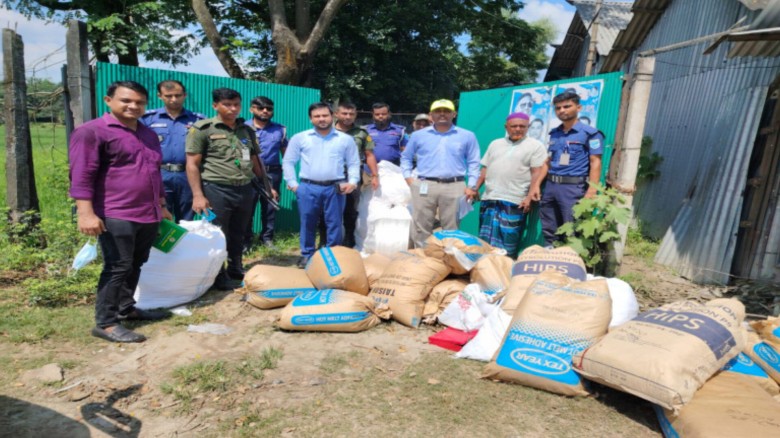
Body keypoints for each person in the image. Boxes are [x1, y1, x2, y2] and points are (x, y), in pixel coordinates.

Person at [69, 81, 172, 343]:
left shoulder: (147, 134)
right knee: (117, 266)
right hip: (116, 212)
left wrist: (161, 206)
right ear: (108, 100)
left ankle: (126, 309)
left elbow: (154, 173)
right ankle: (106, 323)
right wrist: (85, 213)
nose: (133, 106)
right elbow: (81, 175)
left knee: (136, 262)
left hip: (147, 212)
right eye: (126, 100)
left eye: (139, 102)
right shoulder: (91, 132)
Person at [186, 88, 276, 289]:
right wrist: (198, 195)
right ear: (215, 105)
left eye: (236, 104)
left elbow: (255, 161)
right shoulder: (203, 129)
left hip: (244, 189)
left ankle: (235, 267)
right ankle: (218, 275)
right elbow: (192, 164)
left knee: (239, 232)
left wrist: (267, 187)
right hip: (216, 189)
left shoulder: (246, 131)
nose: (233, 109)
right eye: (227, 105)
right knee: (217, 234)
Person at [283, 102, 361, 268]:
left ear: (332, 116)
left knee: (334, 223)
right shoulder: (300, 138)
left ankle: (332, 256)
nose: (321, 119)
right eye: (317, 116)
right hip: (307, 187)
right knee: (307, 222)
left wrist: (353, 182)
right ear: (310, 119)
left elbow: (354, 163)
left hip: (335, 188)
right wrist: (293, 183)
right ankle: (307, 255)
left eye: (325, 115)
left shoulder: (345, 139)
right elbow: (288, 161)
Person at [401, 99, 480, 247]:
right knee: (421, 225)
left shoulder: (467, 136)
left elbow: (474, 162)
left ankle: (449, 257)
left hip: (455, 185)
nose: (442, 114)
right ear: (431, 115)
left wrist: (472, 186)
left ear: (454, 114)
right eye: (438, 111)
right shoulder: (419, 135)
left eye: (446, 111)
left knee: (451, 227)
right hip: (424, 184)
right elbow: (406, 157)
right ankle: (422, 256)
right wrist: (408, 178)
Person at [530, 90, 605, 245]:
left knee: (572, 228)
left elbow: (595, 162)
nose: (562, 110)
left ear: (578, 108)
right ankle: (550, 253)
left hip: (573, 188)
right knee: (549, 226)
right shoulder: (555, 134)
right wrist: (537, 184)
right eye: (558, 108)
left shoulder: (590, 134)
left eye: (566, 106)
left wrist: (592, 190)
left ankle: (571, 257)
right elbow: (548, 161)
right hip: (551, 186)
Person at [475, 112, 546, 258]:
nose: (518, 129)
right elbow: (485, 169)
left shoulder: (536, 146)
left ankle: (505, 267)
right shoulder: (495, 144)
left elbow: (536, 173)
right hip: (490, 197)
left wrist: (529, 197)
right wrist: (475, 188)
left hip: (514, 200)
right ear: (506, 127)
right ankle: (484, 266)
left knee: (508, 240)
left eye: (522, 126)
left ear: (528, 127)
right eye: (514, 126)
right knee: (485, 239)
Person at [140, 80, 205, 223]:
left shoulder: (198, 120)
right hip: (159, 175)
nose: (174, 99)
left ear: (185, 95)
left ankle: (186, 239)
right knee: (160, 217)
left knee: (187, 220)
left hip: (187, 176)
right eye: (168, 96)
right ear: (159, 96)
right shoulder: (147, 119)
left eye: (178, 95)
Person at [317, 102, 378, 248]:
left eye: (351, 114)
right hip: (329, 175)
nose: (348, 117)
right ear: (336, 114)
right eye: (344, 113)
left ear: (355, 115)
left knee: (350, 209)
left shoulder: (361, 133)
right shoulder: (325, 131)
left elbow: (369, 155)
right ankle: (324, 240)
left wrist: (375, 175)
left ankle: (349, 240)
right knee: (325, 209)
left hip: (352, 176)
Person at [243, 96, 287, 251]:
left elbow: (285, 153)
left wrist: (288, 173)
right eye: (261, 108)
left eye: (269, 108)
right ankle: (246, 241)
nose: (265, 111)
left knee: (270, 207)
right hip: (248, 174)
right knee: (247, 208)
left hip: (272, 173)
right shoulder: (242, 128)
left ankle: (267, 239)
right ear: (252, 109)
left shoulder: (280, 129)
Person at [365, 102, 408, 167]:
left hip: (393, 167)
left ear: (389, 114)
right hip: (370, 168)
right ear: (373, 115)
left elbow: (406, 151)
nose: (380, 116)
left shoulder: (400, 130)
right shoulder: (366, 131)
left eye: (383, 114)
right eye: (377, 114)